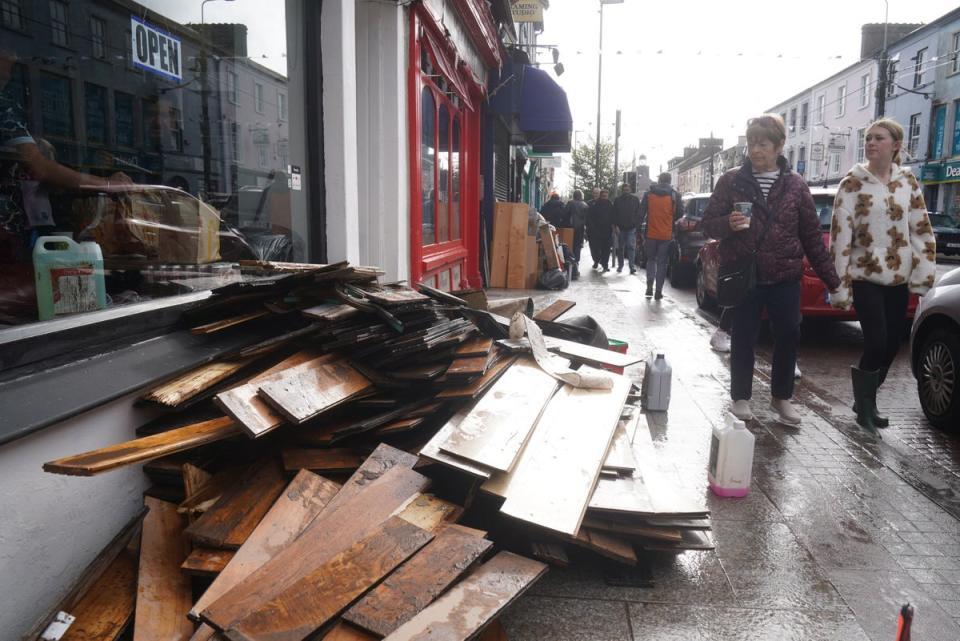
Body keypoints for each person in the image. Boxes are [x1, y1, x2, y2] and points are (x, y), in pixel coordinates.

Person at [702, 114, 839, 426]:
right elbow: (708, 222)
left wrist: (833, 281)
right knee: (744, 337)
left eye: (762, 143)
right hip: (744, 273)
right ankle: (740, 398)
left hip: (784, 276)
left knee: (789, 334)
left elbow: (812, 238)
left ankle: (782, 398)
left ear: (779, 146)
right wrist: (727, 224)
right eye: (752, 143)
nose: (755, 149)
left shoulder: (796, 185)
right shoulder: (731, 180)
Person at [829, 118, 936, 433]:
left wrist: (922, 273)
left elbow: (920, 230)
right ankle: (864, 409)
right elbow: (839, 237)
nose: (871, 143)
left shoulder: (908, 182)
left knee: (891, 345)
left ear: (896, 145)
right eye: (868, 138)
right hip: (865, 275)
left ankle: (866, 398)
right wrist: (840, 284)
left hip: (898, 277)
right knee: (875, 341)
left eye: (879, 138)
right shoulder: (852, 183)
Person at [639, 172, 682, 299]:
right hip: (666, 234)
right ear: (669, 181)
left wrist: (637, 228)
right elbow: (680, 213)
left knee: (651, 260)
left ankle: (649, 287)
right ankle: (658, 291)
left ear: (659, 181)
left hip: (650, 233)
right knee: (662, 263)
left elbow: (641, 213)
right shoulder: (675, 195)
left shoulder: (649, 194)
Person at [612, 183, 641, 274]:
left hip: (631, 228)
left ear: (630, 190)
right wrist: (615, 226)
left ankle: (631, 267)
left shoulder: (635, 200)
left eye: (627, 190)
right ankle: (620, 266)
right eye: (624, 190)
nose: (626, 191)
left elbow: (639, 213)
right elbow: (614, 214)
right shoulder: (617, 200)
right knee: (620, 248)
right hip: (620, 228)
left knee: (631, 247)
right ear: (622, 190)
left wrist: (636, 225)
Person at [586, 189, 614, 271]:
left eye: (606, 196)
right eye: (603, 196)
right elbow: (589, 217)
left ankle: (605, 264)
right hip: (596, 231)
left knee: (606, 249)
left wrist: (613, 226)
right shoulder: (594, 205)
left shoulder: (610, 204)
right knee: (595, 248)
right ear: (600, 196)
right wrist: (592, 228)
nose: (604, 198)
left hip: (607, 231)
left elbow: (613, 216)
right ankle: (596, 261)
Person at [565, 189, 588, 263]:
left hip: (570, 228)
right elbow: (587, 218)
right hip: (580, 228)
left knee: (569, 245)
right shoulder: (585, 205)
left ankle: (570, 262)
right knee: (578, 246)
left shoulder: (570, 203)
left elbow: (565, 214)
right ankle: (576, 262)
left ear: (574, 196)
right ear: (581, 196)